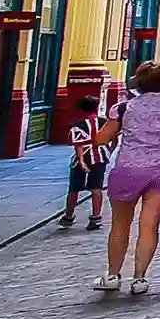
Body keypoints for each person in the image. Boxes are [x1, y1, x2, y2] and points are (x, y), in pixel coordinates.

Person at [91, 62, 160, 295]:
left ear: (138, 82)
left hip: (129, 168)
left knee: (120, 224)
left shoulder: (124, 108)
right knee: (150, 224)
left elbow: (101, 139)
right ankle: (139, 279)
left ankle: (113, 275)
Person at [60, 97, 109, 230]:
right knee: (96, 188)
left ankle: (69, 216)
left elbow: (79, 145)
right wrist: (108, 151)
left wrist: (81, 161)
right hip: (100, 157)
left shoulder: (79, 125)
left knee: (74, 189)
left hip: (84, 158)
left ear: (81, 109)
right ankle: (96, 217)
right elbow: (114, 137)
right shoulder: (104, 122)